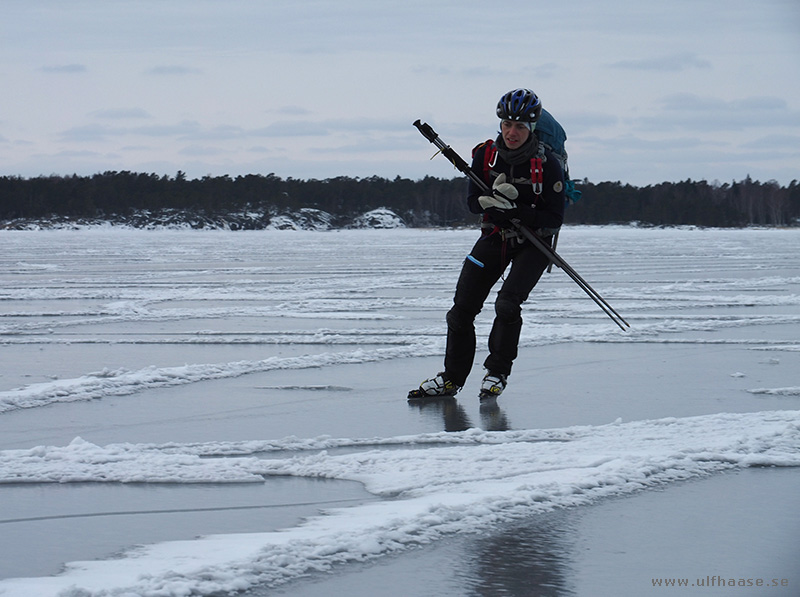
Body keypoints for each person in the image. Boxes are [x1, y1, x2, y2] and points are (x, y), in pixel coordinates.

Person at [408, 88, 566, 401]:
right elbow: (471, 203)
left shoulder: (547, 165)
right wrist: (491, 204)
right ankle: (451, 379)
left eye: (520, 126)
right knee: (460, 312)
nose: (512, 132)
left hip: (535, 242)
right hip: (495, 236)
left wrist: (517, 210)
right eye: (507, 124)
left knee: (507, 304)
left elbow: (554, 217)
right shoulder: (485, 155)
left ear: (532, 127)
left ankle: (497, 371)